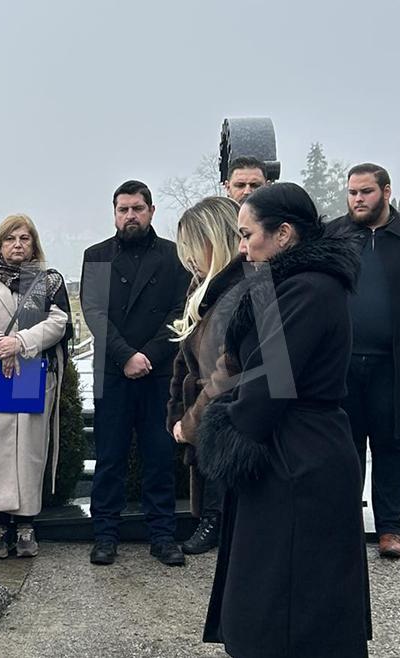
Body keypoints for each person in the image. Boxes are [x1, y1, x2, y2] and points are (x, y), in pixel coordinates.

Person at [198, 183, 371, 658]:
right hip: (290, 448)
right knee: (275, 595)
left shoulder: (310, 289)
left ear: (285, 234)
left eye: (247, 234)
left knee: (293, 606)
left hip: (299, 456)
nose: (241, 246)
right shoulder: (286, 283)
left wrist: (224, 428)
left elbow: (270, 380)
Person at [80, 180, 192, 566]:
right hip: (113, 370)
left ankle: (163, 536)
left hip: (159, 371)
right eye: (123, 209)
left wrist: (149, 354)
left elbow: (180, 312)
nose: (130, 215)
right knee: (109, 457)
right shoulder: (95, 256)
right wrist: (127, 356)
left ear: (151, 211)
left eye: (137, 208)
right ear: (114, 213)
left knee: (159, 456)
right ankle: (105, 535)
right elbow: (94, 313)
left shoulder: (174, 257)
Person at [0, 214, 71, 559]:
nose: (17, 245)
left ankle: (26, 525)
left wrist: (20, 342)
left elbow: (59, 321)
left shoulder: (47, 281)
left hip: (30, 373)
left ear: (34, 244)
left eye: (24, 238)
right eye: (10, 239)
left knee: (27, 448)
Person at [327, 163, 400, 558]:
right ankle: (344, 525)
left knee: (390, 444)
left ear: (386, 193)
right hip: (344, 360)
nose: (358, 199)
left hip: (391, 362)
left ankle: (390, 529)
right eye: (353, 192)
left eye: (366, 192)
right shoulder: (335, 236)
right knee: (345, 445)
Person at [166, 197, 243, 554]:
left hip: (227, 412)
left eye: (193, 247)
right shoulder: (205, 288)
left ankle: (214, 518)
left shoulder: (239, 290)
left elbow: (227, 368)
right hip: (208, 407)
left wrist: (190, 420)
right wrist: (179, 414)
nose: (189, 258)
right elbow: (187, 357)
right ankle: (211, 517)